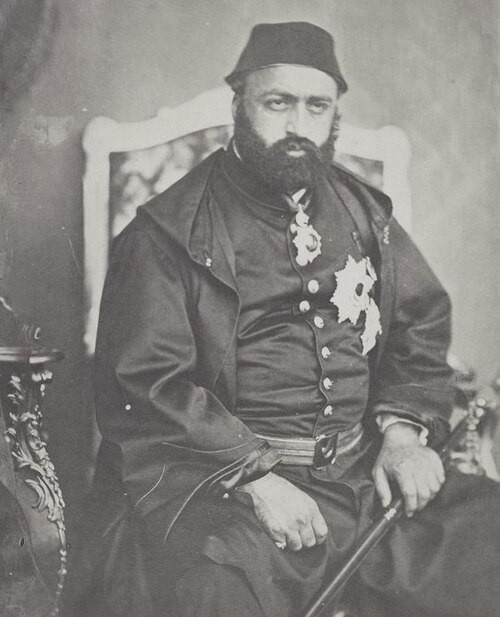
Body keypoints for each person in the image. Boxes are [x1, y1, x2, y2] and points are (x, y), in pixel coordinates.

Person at [70, 21, 500, 617]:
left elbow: (419, 322)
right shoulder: (165, 233)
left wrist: (402, 436)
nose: (298, 125)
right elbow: (145, 384)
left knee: (486, 535)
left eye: (316, 106)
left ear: (334, 114)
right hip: (228, 493)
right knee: (214, 588)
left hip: (363, 480)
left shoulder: (363, 213)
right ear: (239, 104)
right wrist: (255, 479)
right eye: (278, 103)